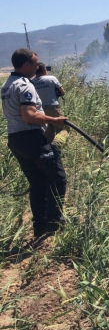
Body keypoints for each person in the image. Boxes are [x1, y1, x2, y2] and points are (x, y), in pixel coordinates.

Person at [1, 49, 67, 238]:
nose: (38, 67)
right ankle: (54, 225)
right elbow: (29, 115)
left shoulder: (7, 85)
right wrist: (54, 120)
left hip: (15, 140)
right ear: (25, 65)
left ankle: (40, 227)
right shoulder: (24, 85)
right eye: (35, 63)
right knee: (58, 177)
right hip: (30, 138)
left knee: (38, 183)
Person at [32, 63, 68, 147]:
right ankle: (57, 145)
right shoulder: (51, 78)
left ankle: (48, 149)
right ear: (45, 70)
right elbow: (62, 92)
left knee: (48, 132)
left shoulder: (31, 82)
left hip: (39, 111)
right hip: (53, 108)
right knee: (64, 128)